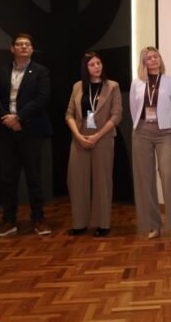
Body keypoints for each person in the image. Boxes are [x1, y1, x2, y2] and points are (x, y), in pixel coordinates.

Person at [0, 32, 52, 237]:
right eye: (19, 44)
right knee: (8, 178)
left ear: (32, 49)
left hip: (31, 131)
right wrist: (7, 118)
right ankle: (8, 221)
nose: (23, 46)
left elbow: (42, 99)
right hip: (5, 131)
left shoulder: (41, 72)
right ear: (12, 48)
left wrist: (19, 118)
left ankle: (38, 219)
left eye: (27, 44)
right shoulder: (1, 72)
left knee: (34, 177)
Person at [129, 46, 171, 243]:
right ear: (143, 62)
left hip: (165, 134)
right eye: (149, 57)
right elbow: (134, 108)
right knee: (145, 179)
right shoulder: (137, 83)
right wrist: (141, 126)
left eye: (156, 56)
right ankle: (153, 225)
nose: (153, 59)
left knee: (168, 175)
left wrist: (169, 126)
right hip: (141, 133)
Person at [65, 52, 123, 238]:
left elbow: (116, 115)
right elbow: (69, 114)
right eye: (92, 64)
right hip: (80, 136)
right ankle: (79, 223)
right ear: (85, 68)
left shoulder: (112, 86)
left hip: (103, 137)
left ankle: (102, 223)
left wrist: (97, 136)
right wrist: (78, 135)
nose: (97, 67)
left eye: (99, 63)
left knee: (102, 181)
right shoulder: (77, 86)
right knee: (76, 180)